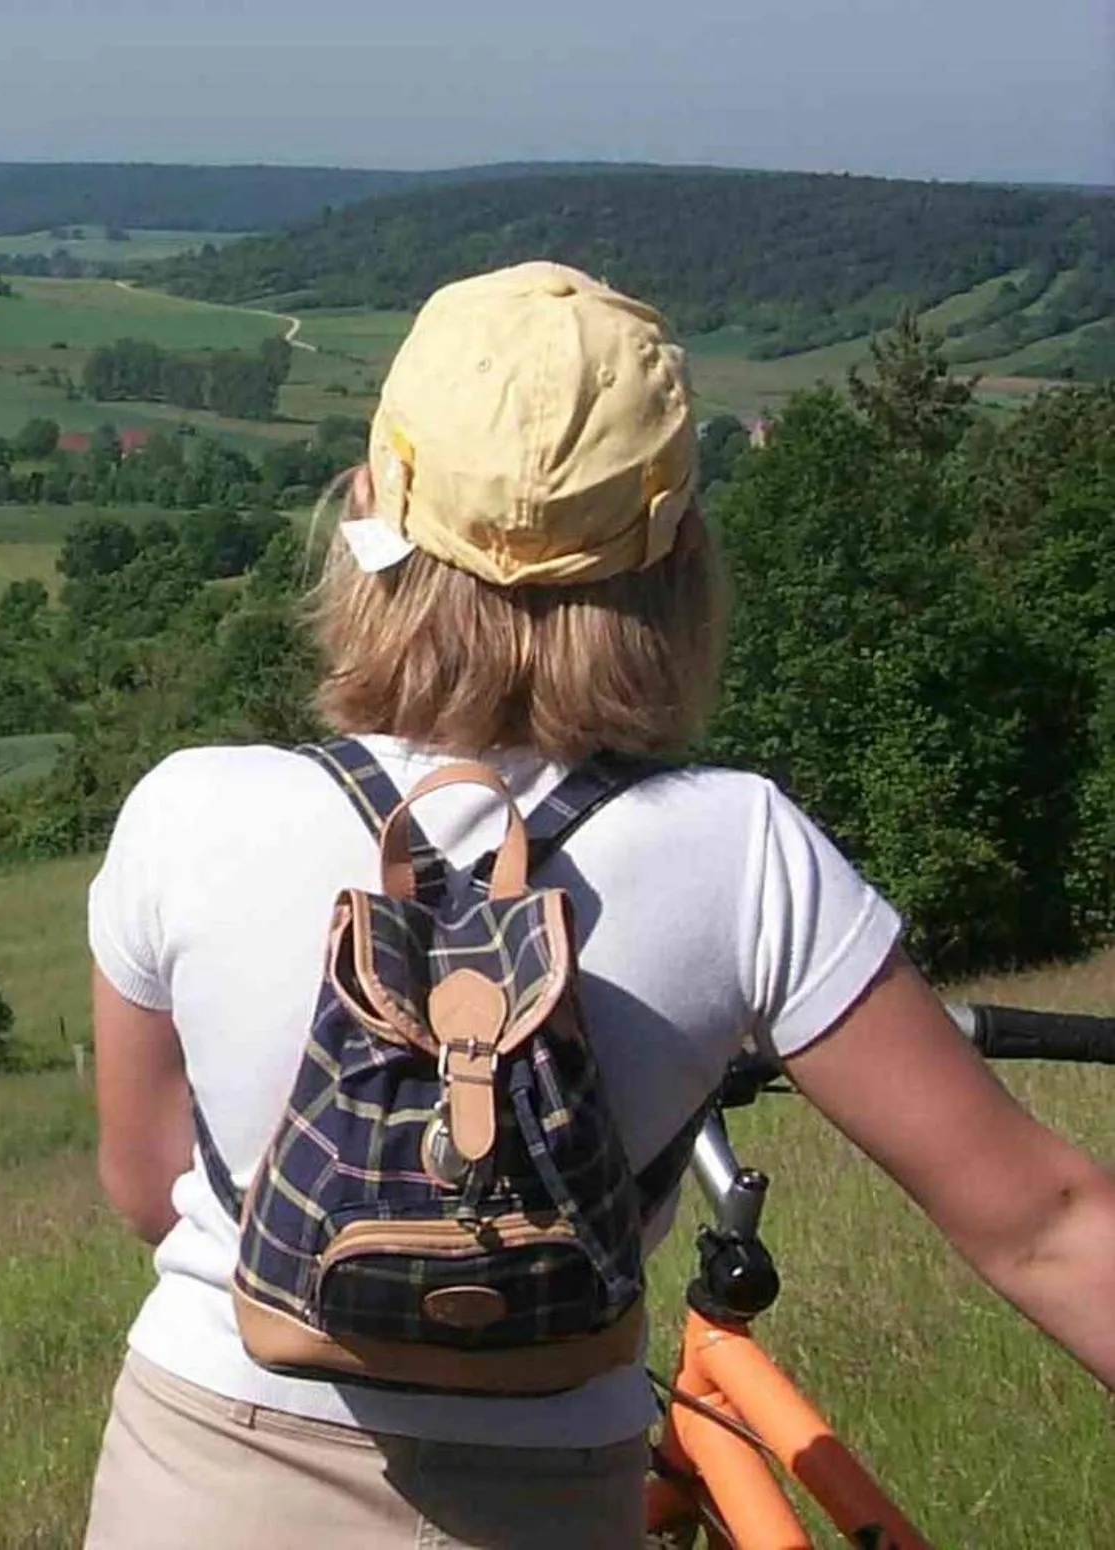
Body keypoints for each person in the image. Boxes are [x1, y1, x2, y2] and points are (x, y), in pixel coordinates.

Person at [83, 261, 1115, 1549]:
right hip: (550, 1489)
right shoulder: (744, 849)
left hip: (211, 1465)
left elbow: (148, 1184)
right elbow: (1049, 1226)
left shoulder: (188, 807)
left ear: (365, 514)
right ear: (679, 556)